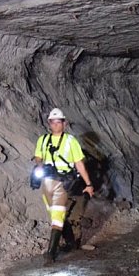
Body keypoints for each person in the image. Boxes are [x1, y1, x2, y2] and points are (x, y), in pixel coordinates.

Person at [33, 108, 94, 263]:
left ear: (64, 123)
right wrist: (39, 165)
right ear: (49, 123)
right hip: (47, 183)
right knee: (55, 216)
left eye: (58, 122)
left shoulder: (70, 141)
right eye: (53, 122)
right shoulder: (43, 140)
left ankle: (50, 253)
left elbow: (79, 164)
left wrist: (88, 184)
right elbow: (38, 157)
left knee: (57, 217)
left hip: (62, 182)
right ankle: (71, 242)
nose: (55, 125)